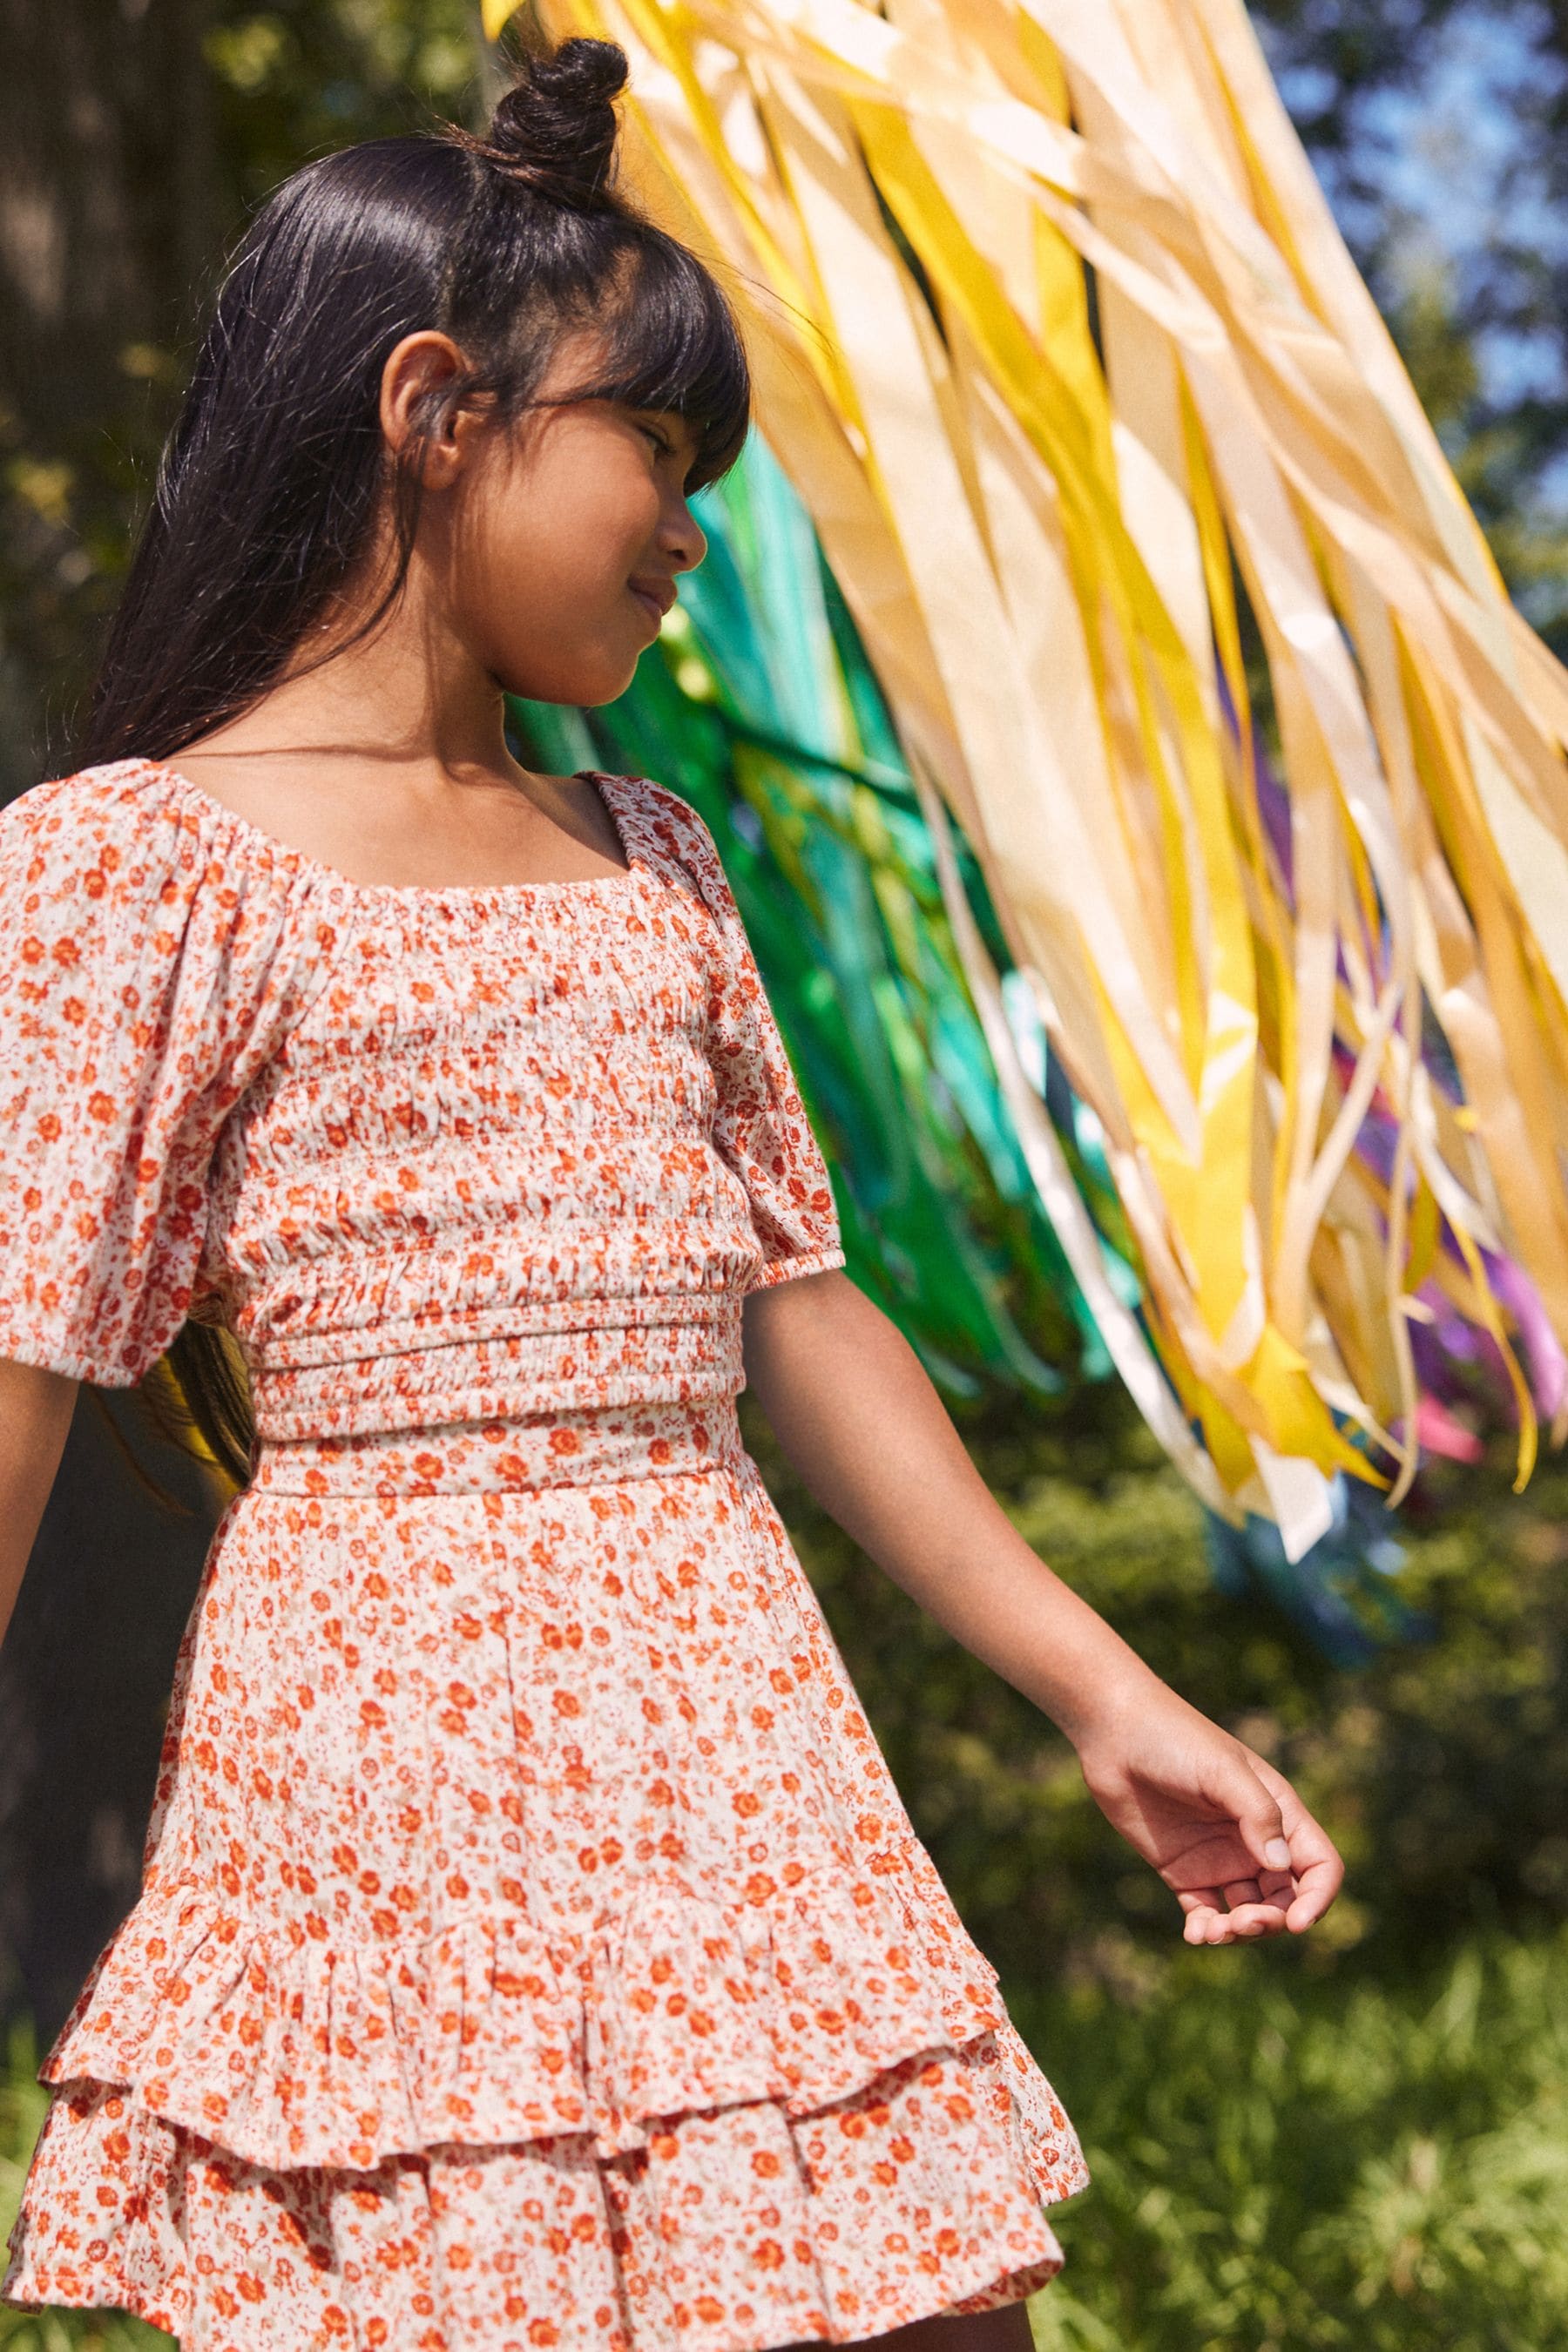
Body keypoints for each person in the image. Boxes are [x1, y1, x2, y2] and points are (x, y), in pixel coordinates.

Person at [0, 35, 1342, 2352]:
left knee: (920, 2298)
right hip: (384, 1794)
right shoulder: (127, 871)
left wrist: (1101, 1686)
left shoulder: (659, 861)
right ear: (437, 406)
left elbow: (801, 1308)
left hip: (743, 1751)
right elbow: (18, 1374)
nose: (696, 527)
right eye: (659, 446)